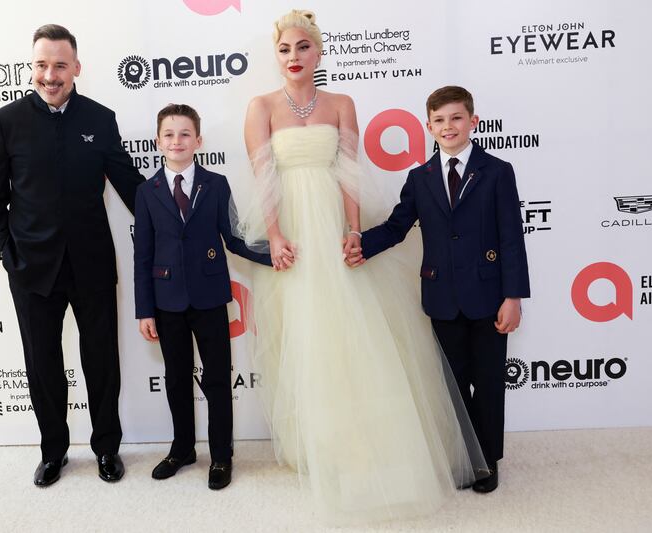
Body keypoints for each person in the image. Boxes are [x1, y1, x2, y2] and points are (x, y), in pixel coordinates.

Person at [237, 10, 487, 524]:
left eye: (303, 48)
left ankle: (369, 445)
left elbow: (349, 172)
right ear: (276, 54)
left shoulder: (341, 103)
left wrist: (353, 232)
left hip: (331, 227)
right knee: (306, 336)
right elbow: (264, 175)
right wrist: (277, 234)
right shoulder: (259, 106)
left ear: (318, 51)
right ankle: (323, 448)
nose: (293, 58)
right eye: (285, 49)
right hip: (293, 232)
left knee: (355, 331)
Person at [0, 24, 145, 487]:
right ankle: (54, 452)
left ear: (76, 68)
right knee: (43, 365)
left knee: (101, 362)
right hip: (30, 268)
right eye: (41, 65)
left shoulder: (100, 118)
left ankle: (107, 448)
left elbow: (130, 186)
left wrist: (174, 215)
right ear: (32, 67)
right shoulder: (6, 121)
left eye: (59, 65)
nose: (50, 75)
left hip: (90, 263)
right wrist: (5, 252)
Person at [349, 86, 531, 493]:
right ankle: (466, 456)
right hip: (441, 296)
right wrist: (362, 243)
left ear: (473, 122)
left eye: (456, 118)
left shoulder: (498, 171)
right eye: (440, 120)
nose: (448, 127)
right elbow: (398, 226)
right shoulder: (420, 178)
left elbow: (511, 238)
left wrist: (513, 296)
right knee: (451, 384)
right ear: (428, 126)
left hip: (488, 297)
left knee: (487, 382)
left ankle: (488, 462)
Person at [133, 104, 273, 490]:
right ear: (158, 141)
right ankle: (181, 449)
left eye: (184, 134)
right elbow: (142, 253)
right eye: (169, 135)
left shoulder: (216, 184)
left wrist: (271, 254)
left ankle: (221, 456)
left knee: (216, 380)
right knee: (176, 378)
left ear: (198, 140)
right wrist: (144, 309)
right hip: (166, 301)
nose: (176, 141)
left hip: (210, 297)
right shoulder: (147, 192)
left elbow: (233, 238)